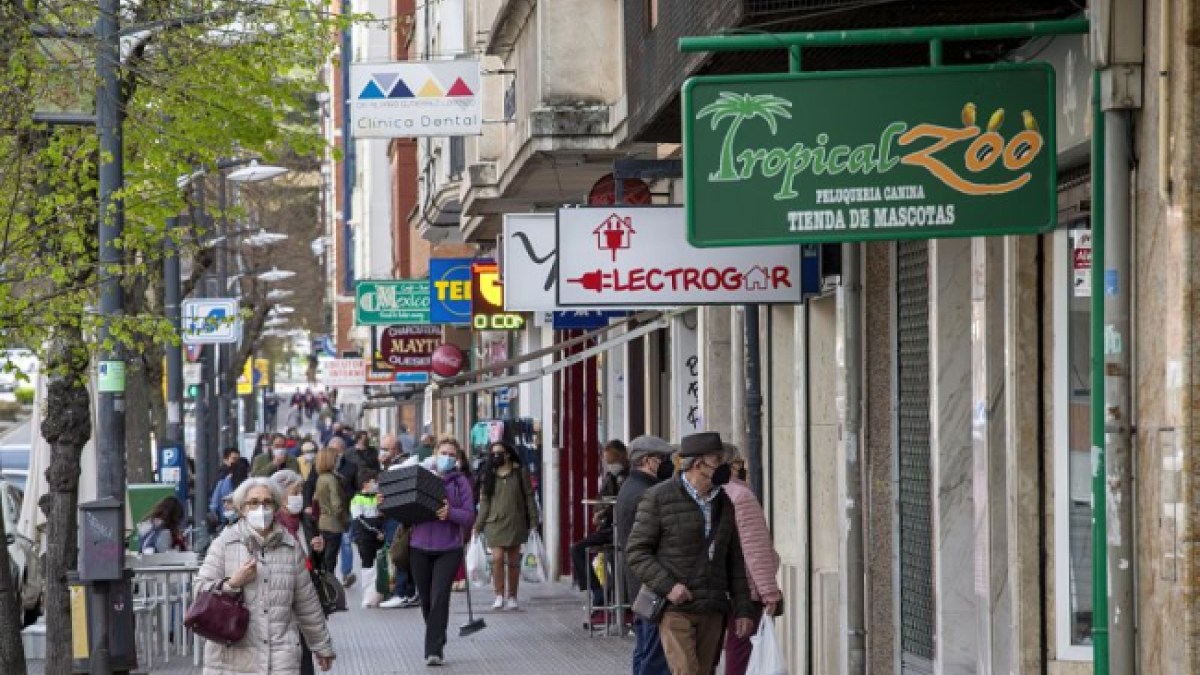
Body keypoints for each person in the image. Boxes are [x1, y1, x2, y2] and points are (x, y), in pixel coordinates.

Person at [625, 432, 755, 675]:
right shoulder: (658, 497)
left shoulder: (724, 502)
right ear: (698, 464)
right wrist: (669, 586)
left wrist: (744, 609)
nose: (724, 469)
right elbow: (636, 552)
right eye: (718, 462)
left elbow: (735, 559)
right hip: (677, 607)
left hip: (713, 607)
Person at [195, 477, 335, 673]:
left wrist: (322, 646)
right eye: (253, 502)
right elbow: (200, 590)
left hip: (280, 657)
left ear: (276, 506)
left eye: (267, 502)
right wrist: (232, 583)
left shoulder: (290, 547)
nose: (261, 508)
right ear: (242, 508)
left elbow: (307, 602)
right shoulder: (224, 544)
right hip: (233, 658)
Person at [409, 438, 476, 666]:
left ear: (457, 460)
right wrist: (384, 502)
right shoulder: (420, 476)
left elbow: (469, 516)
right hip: (418, 548)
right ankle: (438, 634)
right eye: (443, 452)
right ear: (435, 453)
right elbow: (405, 508)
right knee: (426, 600)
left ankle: (433, 650)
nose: (447, 457)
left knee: (439, 598)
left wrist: (451, 513)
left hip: (448, 549)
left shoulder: (461, 483)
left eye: (452, 454)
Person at [719, 446, 783, 675]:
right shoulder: (741, 496)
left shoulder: (710, 493)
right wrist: (769, 592)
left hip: (716, 587)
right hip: (745, 590)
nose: (741, 466)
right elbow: (756, 548)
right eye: (738, 462)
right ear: (732, 465)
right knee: (741, 651)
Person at [616, 436, 677, 675]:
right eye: (662, 459)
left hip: (642, 586)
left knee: (645, 652)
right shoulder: (647, 493)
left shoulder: (632, 486)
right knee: (655, 658)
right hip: (652, 587)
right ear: (647, 461)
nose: (668, 464)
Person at [271, 470, 326, 675]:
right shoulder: (270, 524)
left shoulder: (307, 521)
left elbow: (317, 562)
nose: (299, 496)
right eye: (295, 491)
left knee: (303, 649)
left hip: (305, 590)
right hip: (279, 594)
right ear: (280, 493)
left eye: (301, 491)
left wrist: (318, 550)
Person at [474, 441, 539, 611]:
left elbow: (529, 497)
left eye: (500, 452)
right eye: (493, 453)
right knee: (496, 558)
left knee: (512, 561)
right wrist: (478, 525)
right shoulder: (489, 474)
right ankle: (498, 595)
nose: (496, 456)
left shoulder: (519, 472)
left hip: (515, 522)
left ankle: (512, 596)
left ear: (508, 454)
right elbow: (485, 501)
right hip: (494, 523)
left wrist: (533, 521)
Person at [570, 439, 629, 621]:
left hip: (616, 530)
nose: (604, 456)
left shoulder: (625, 476)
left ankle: (606, 599)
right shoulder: (610, 475)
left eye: (607, 452)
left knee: (613, 561)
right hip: (608, 528)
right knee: (578, 550)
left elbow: (617, 502)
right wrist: (599, 512)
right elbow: (603, 499)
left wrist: (603, 512)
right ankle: (598, 593)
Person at [313, 446, 349, 577]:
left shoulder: (320, 478)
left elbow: (315, 499)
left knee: (324, 557)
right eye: (336, 457)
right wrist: (345, 521)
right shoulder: (332, 479)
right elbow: (337, 504)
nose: (338, 460)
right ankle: (330, 586)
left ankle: (324, 583)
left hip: (323, 522)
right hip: (334, 524)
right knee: (331, 559)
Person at [350, 469, 386, 571]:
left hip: (379, 537)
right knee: (368, 568)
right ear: (365, 484)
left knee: (380, 567)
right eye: (374, 482)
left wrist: (381, 511)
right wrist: (377, 532)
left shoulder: (376, 497)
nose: (377, 484)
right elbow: (360, 521)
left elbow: (380, 516)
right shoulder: (356, 499)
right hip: (365, 539)